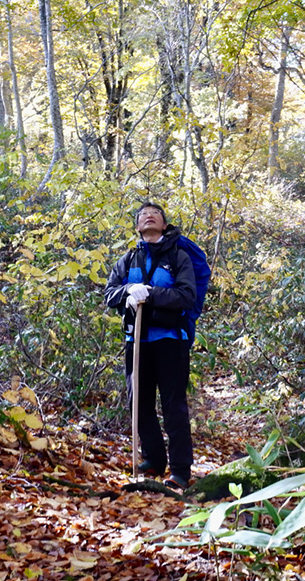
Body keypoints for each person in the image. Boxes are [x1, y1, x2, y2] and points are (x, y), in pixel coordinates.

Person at [104, 202, 196, 490]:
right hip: (137, 342)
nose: (149, 216)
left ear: (164, 224)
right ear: (137, 226)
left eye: (155, 213)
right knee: (139, 404)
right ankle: (154, 459)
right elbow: (109, 294)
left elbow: (186, 295)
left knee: (173, 405)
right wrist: (127, 291)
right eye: (143, 214)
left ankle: (180, 469)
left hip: (170, 341)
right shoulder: (128, 259)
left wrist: (152, 294)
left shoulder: (178, 257)